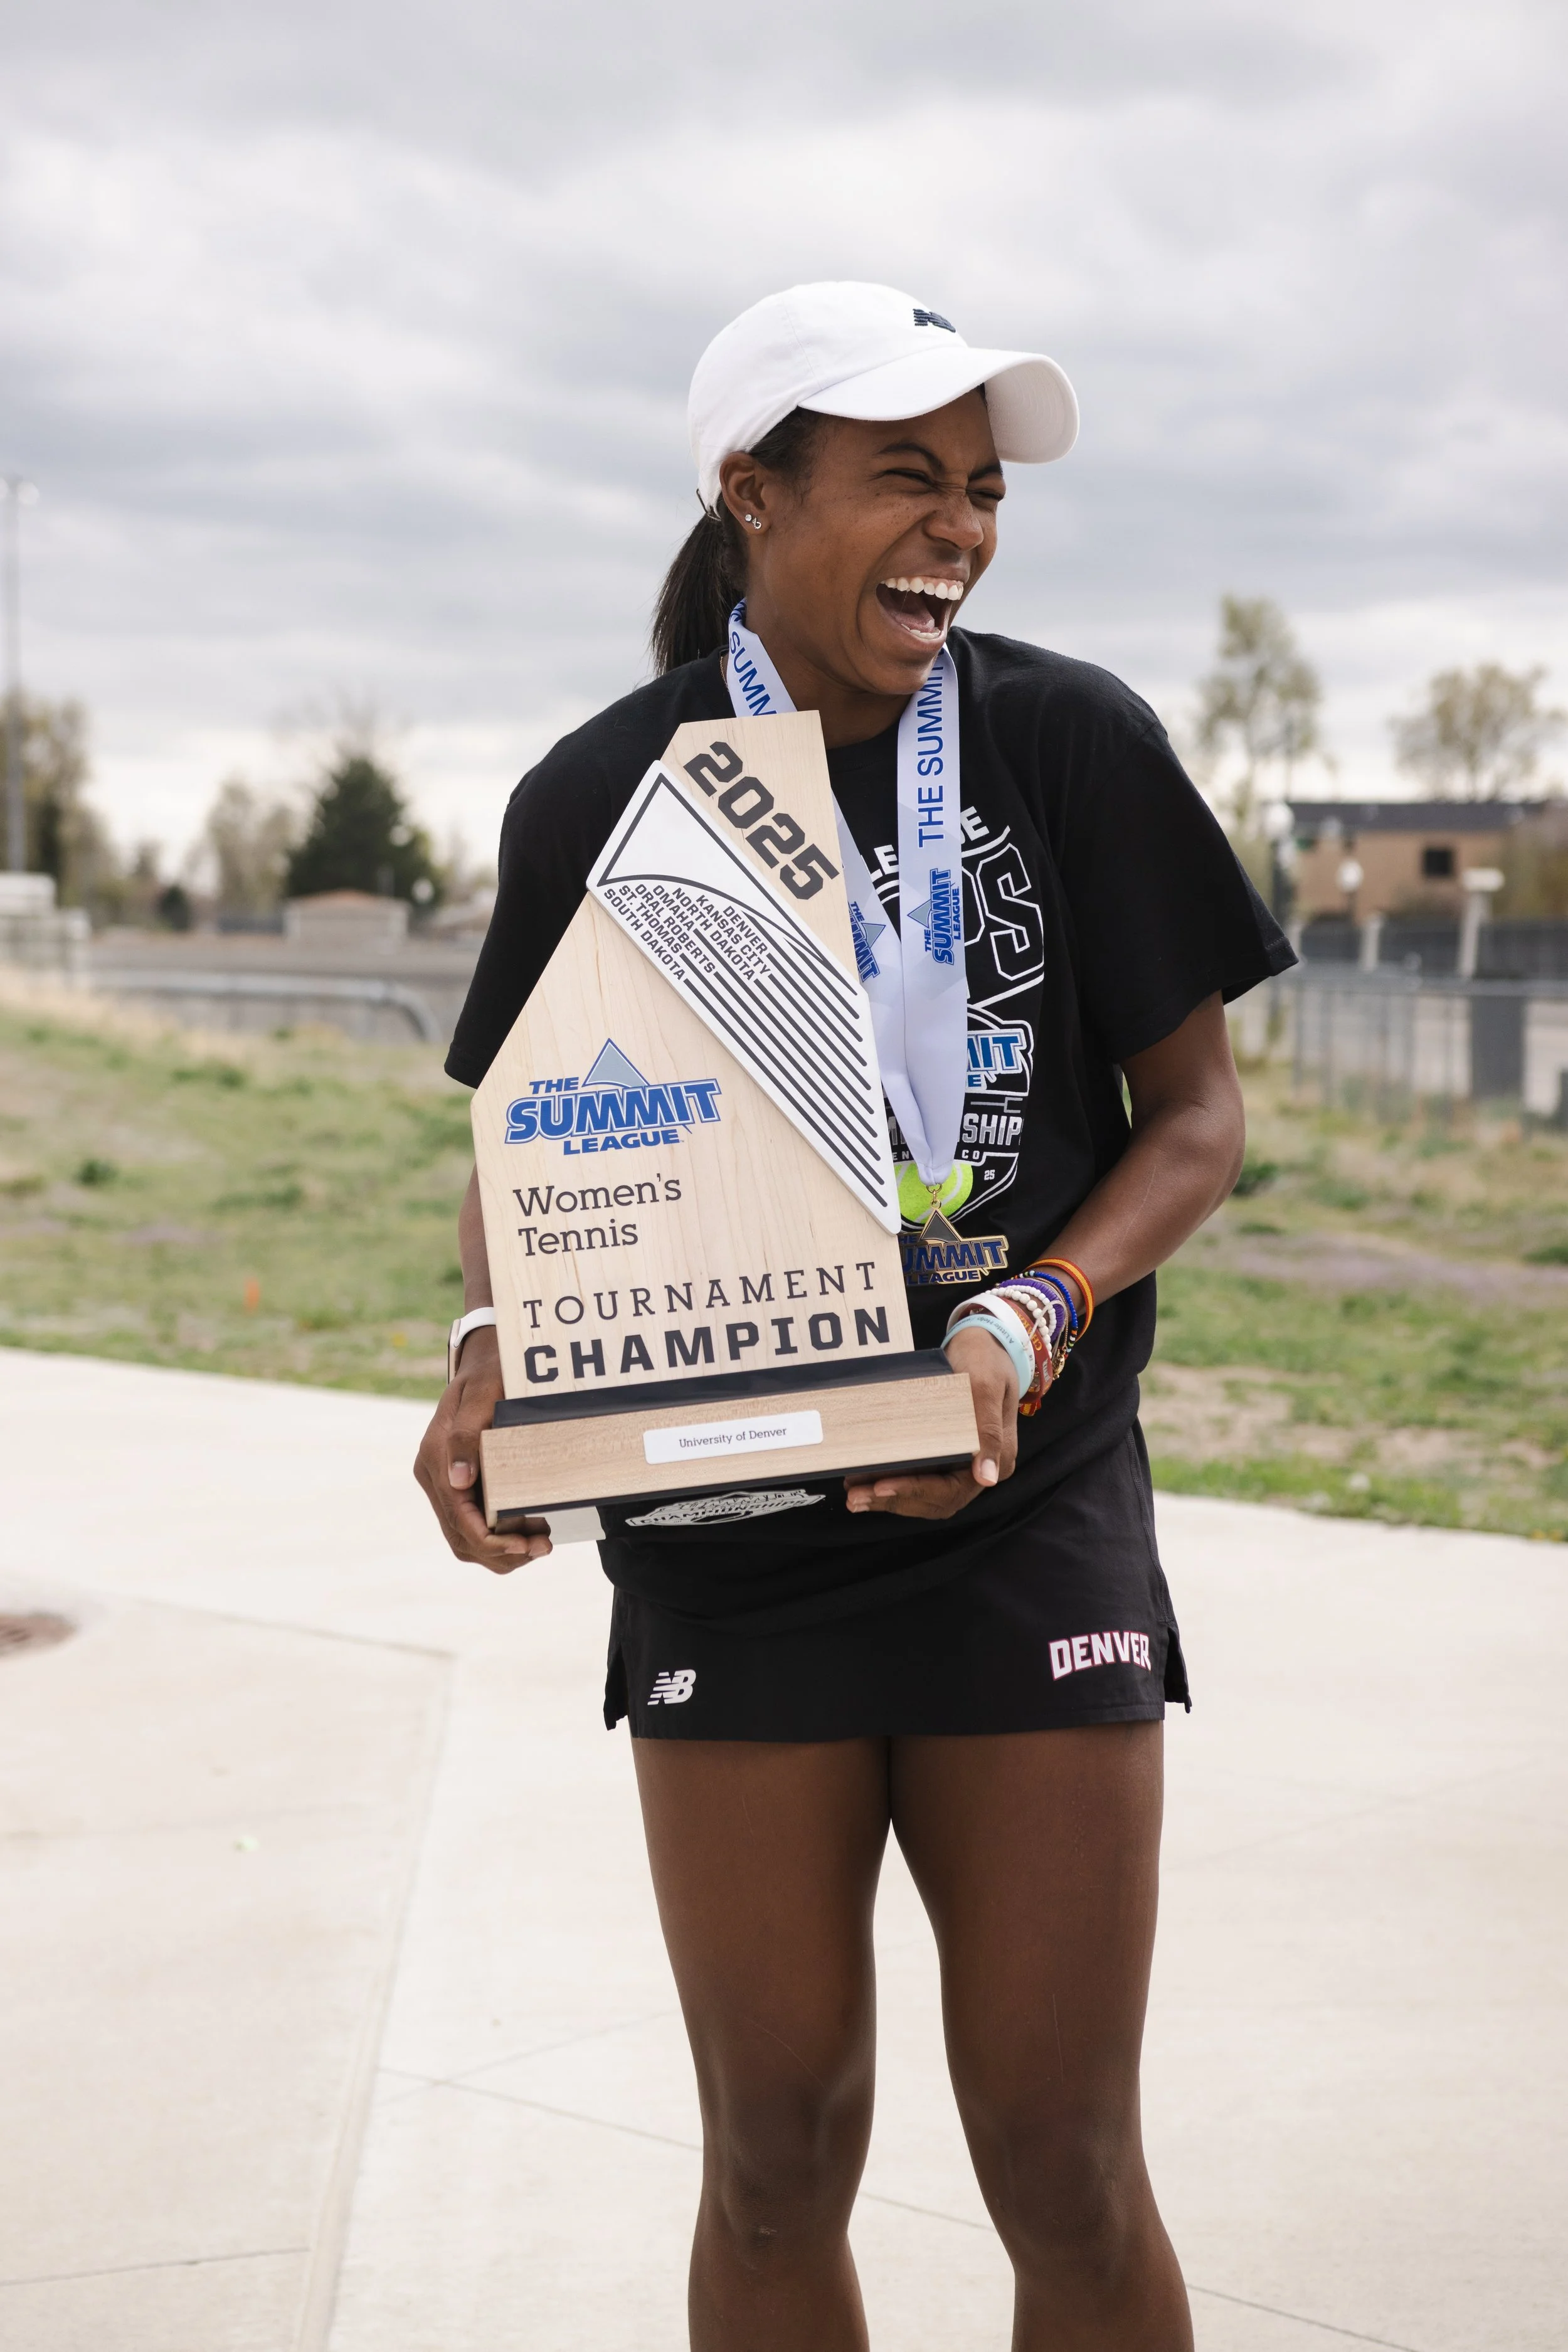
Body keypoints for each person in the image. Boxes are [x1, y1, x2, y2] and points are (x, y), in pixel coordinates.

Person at [416, 281, 1293, 2350]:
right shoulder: (601, 796)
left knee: (1061, 2160)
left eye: (981, 492)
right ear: (749, 491)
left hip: (1027, 1502)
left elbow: (1192, 1123)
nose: (959, 529)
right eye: (906, 478)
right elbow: (534, 1155)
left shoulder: (1069, 741)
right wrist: (478, 1353)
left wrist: (1021, 1322)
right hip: (733, 1547)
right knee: (776, 2144)